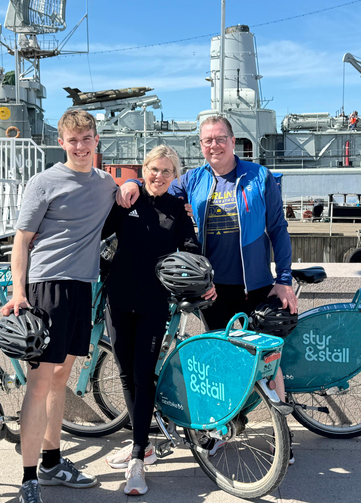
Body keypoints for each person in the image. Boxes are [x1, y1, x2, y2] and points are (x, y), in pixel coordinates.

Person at [117, 115, 297, 463]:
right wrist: (133, 184)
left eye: (220, 139)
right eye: (207, 140)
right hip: (212, 290)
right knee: (221, 363)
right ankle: (226, 429)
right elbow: (158, 187)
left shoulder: (259, 178)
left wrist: (284, 279)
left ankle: (283, 437)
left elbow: (278, 228)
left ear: (233, 141)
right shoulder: (193, 180)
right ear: (200, 146)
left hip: (255, 286)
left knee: (270, 363)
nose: (213, 145)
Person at [1, 109, 117, 503]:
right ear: (62, 143)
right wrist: (20, 293)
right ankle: (28, 480)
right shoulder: (44, 181)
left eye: (87, 139)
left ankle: (51, 462)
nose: (81, 147)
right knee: (40, 381)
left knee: (61, 376)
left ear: (96, 140)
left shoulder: (106, 184)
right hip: (47, 287)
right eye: (73, 140)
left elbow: (128, 193)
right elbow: (22, 241)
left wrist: (134, 182)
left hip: (82, 287)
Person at [102, 145, 215, 495]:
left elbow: (191, 248)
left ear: (175, 176)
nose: (159, 177)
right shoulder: (126, 201)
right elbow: (97, 234)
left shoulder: (176, 210)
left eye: (167, 172)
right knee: (124, 374)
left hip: (154, 304)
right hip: (117, 300)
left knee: (141, 374)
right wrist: (129, 183)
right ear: (145, 168)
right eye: (153, 169)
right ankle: (142, 444)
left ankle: (138, 457)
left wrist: (204, 279)